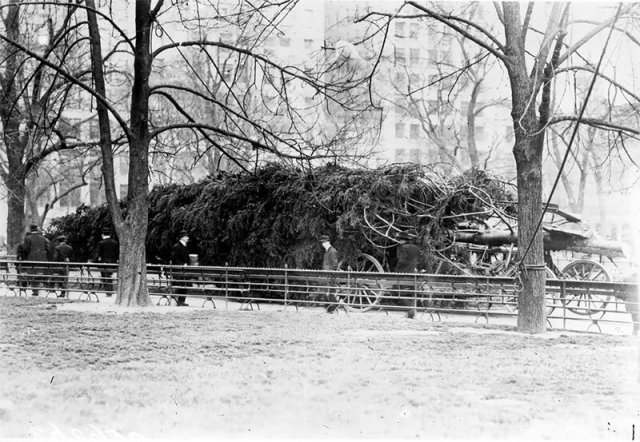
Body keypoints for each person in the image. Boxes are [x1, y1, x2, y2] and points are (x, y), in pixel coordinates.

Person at [394, 231, 421, 319]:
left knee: (400, 292)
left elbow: (402, 261)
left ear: (402, 240)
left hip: (404, 273)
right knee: (413, 293)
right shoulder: (416, 248)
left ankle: (411, 311)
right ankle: (412, 311)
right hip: (414, 272)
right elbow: (420, 260)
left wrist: (396, 270)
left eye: (399, 240)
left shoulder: (403, 248)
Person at [19, 225, 50, 296]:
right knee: (38, 274)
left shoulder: (28, 238)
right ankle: (36, 290)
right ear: (37, 229)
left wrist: (25, 258)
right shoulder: (43, 238)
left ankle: (34, 290)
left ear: (30, 230)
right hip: (42, 260)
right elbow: (48, 249)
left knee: (32, 274)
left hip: (31, 259)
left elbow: (26, 249)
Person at [320, 235, 341, 313]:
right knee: (327, 293)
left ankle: (333, 309)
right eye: (322, 242)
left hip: (331, 276)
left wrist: (327, 270)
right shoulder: (327, 251)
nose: (323, 244)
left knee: (330, 293)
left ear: (328, 242)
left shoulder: (332, 251)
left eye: (324, 242)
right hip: (327, 275)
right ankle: (330, 310)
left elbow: (335, 265)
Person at [170, 230, 191, 307]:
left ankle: (182, 300)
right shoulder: (177, 246)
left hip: (184, 269)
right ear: (182, 238)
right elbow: (174, 258)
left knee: (185, 284)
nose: (187, 238)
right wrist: (182, 264)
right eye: (186, 237)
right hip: (179, 270)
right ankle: (179, 301)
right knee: (181, 284)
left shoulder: (185, 246)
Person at [95, 228, 118, 296]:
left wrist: (96, 262)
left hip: (104, 263)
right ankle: (110, 291)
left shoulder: (101, 243)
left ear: (102, 235)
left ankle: (108, 292)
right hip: (113, 262)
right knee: (109, 276)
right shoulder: (115, 243)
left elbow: (98, 255)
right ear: (110, 234)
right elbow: (117, 253)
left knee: (105, 277)